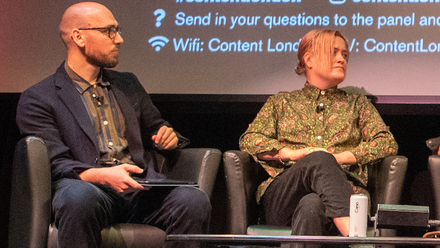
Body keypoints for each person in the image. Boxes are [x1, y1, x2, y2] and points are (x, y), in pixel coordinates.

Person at [16, 2, 210, 248]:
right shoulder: (40, 97)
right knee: (78, 197)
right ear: (79, 37)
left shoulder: (127, 84)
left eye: (117, 30)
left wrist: (168, 137)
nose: (119, 39)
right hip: (88, 189)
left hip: (139, 189)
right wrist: (103, 176)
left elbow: (157, 127)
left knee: (193, 201)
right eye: (109, 31)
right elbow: (55, 162)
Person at [239, 29, 398, 245]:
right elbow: (249, 140)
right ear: (309, 59)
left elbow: (387, 144)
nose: (341, 58)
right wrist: (297, 154)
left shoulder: (358, 104)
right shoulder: (282, 102)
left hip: (342, 195)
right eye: (333, 52)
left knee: (311, 204)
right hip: (284, 198)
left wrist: (338, 158)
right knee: (317, 160)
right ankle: (355, 236)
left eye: (344, 54)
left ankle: (348, 228)